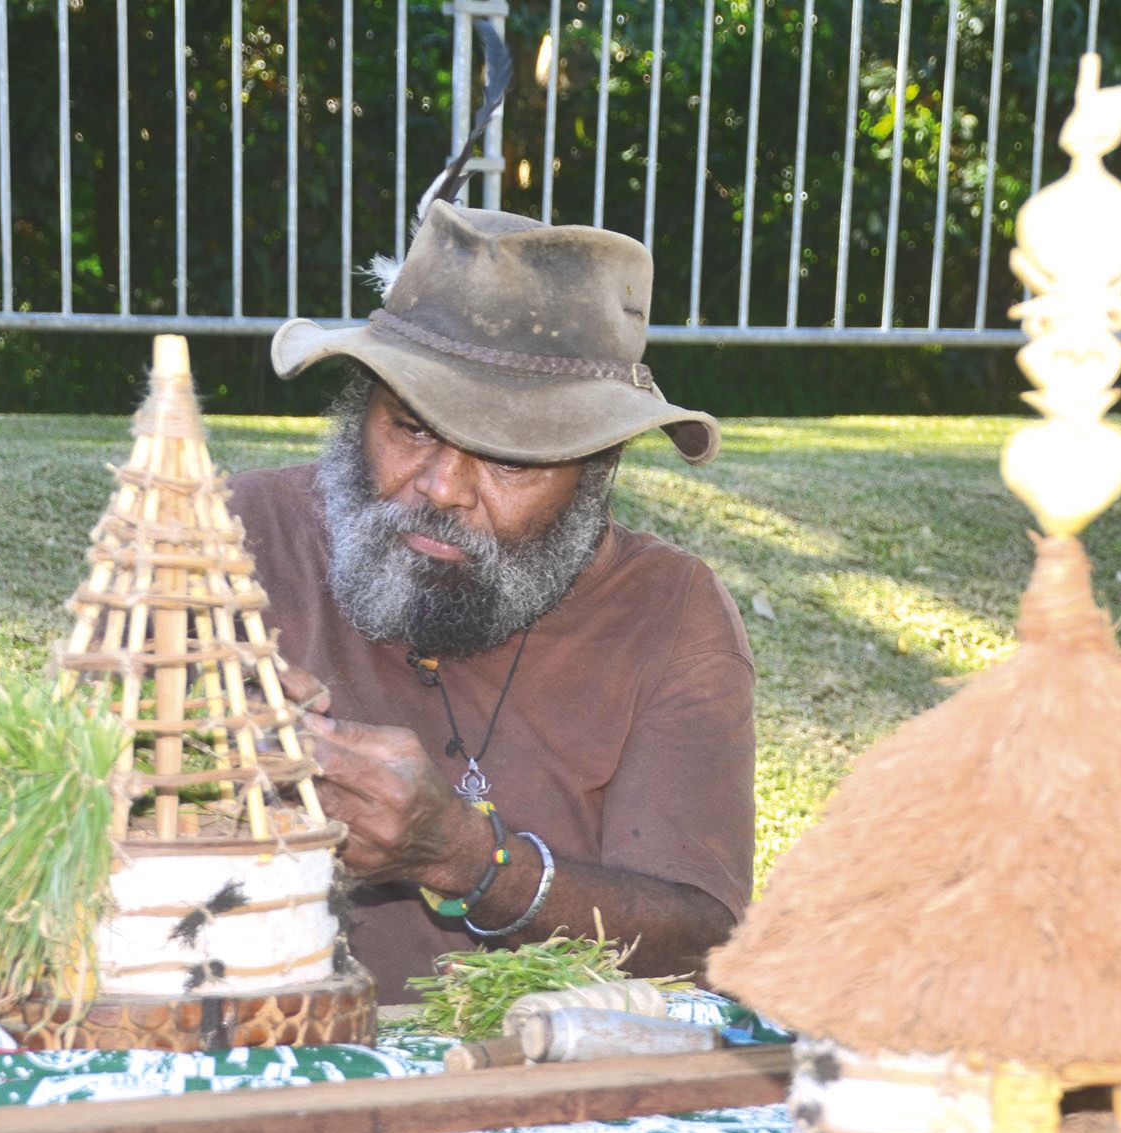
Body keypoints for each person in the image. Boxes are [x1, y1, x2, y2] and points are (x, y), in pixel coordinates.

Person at [227, 201, 754, 1003]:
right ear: (358, 405)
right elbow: (66, 822)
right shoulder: (229, 540)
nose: (440, 488)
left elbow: (701, 942)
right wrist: (208, 766)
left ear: (599, 466)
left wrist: (469, 860)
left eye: (508, 462)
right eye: (409, 428)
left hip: (536, 1092)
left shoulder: (670, 612)